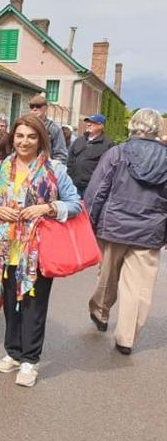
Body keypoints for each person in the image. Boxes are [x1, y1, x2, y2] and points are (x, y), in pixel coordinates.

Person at [0, 114, 81, 388]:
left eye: (31, 137)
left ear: (40, 140)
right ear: (13, 137)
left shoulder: (54, 170)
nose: (24, 142)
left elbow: (75, 203)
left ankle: (30, 361)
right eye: (20, 136)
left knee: (33, 308)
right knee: (11, 305)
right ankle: (13, 352)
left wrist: (47, 208)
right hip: (6, 250)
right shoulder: (0, 168)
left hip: (38, 252)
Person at [85, 108, 167, 355]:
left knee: (107, 275)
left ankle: (100, 312)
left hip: (114, 226)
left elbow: (97, 190)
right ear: (157, 129)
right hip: (150, 232)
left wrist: (89, 222)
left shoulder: (117, 153)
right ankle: (126, 338)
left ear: (132, 126)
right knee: (139, 288)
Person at [67, 114, 113, 196]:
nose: (88, 124)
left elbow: (108, 168)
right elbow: (70, 160)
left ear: (101, 126)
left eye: (92, 122)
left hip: (92, 188)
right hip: (73, 185)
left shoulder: (107, 144)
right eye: (88, 122)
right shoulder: (79, 140)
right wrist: (69, 178)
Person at [27, 95, 67, 162]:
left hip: (45, 166)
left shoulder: (54, 129)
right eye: (32, 106)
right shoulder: (24, 126)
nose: (34, 109)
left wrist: (50, 167)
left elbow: (60, 155)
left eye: (38, 106)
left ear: (45, 108)